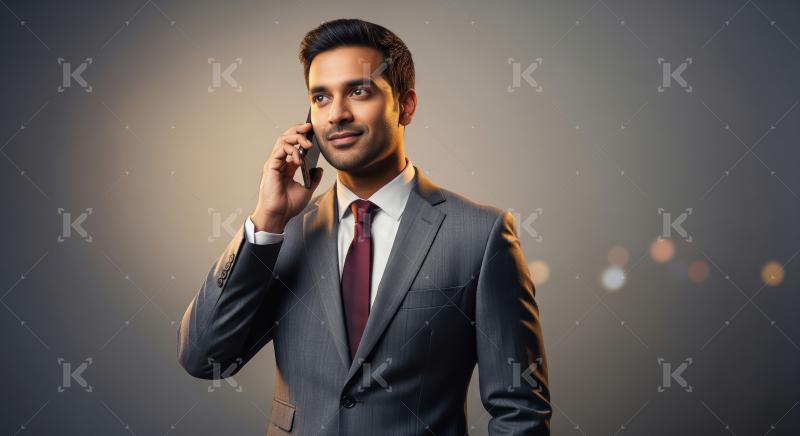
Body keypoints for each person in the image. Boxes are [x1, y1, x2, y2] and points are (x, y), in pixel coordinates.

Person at [177, 18, 551, 435]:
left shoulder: (480, 235)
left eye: (358, 91)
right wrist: (266, 220)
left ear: (405, 105)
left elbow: (521, 411)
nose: (337, 114)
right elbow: (203, 356)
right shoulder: (283, 235)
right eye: (320, 98)